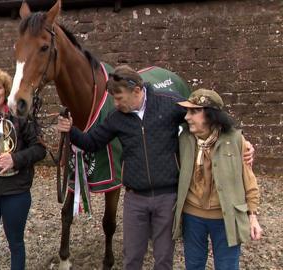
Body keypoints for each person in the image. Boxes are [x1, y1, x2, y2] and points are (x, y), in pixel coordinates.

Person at [56, 65, 255, 270]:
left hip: (167, 198)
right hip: (135, 199)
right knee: (132, 258)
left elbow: (208, 119)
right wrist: (71, 130)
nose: (115, 104)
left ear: (136, 91)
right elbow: (92, 142)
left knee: (163, 259)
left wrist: (242, 143)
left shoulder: (168, 103)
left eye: (119, 98)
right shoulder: (116, 118)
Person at [172, 88, 263, 269]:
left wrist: (252, 216)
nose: (187, 117)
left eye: (194, 111)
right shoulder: (183, 139)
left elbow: (249, 180)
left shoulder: (236, 140)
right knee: (194, 265)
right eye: (187, 111)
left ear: (211, 115)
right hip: (192, 216)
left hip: (225, 215)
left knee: (227, 266)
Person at [0, 68, 46, 270]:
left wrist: (15, 159)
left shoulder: (20, 116)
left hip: (16, 191)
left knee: (15, 242)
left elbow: (40, 150)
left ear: (5, 90)